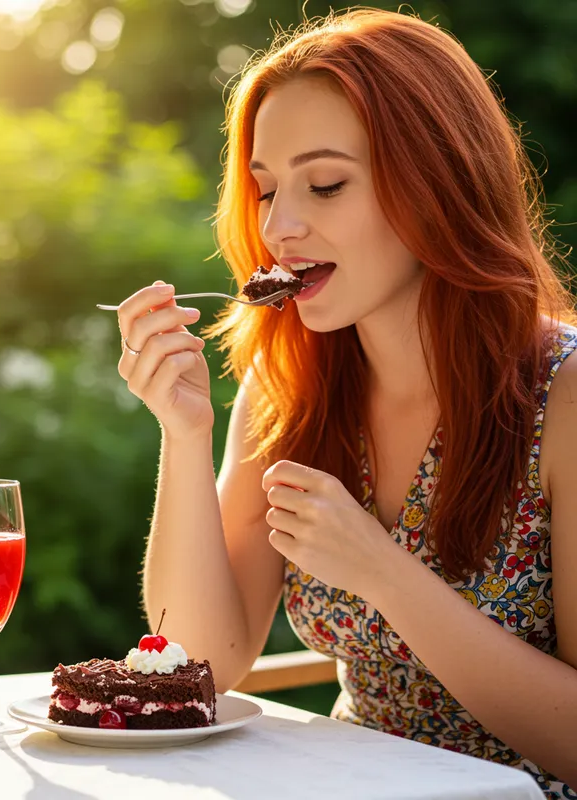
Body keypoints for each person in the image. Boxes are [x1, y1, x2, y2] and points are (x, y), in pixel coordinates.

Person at [113, 8, 576, 798]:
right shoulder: (288, 386)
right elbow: (200, 666)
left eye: (325, 184)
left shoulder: (561, 401)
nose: (281, 229)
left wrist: (385, 574)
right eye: (265, 190)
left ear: (438, 182)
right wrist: (183, 435)